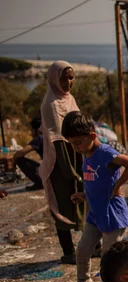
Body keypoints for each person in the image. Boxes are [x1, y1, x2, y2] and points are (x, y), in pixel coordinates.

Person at [60, 112, 128, 282]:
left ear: (92, 136)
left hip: (112, 215)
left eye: (77, 142)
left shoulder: (105, 153)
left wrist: (118, 185)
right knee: (83, 251)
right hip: (95, 214)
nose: (75, 147)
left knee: (109, 257)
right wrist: (84, 196)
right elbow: (96, 181)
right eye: (71, 144)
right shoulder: (86, 153)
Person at [39, 61, 84, 265]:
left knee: (85, 202)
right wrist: (70, 171)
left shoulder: (70, 100)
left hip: (77, 155)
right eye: (64, 78)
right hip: (60, 162)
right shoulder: (50, 104)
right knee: (63, 205)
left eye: (71, 77)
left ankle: (94, 246)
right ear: (54, 79)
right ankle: (68, 252)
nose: (68, 82)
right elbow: (56, 139)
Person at [13, 117, 44, 191]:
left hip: (51, 175)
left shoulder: (39, 138)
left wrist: (14, 161)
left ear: (35, 130)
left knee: (19, 160)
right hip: (57, 173)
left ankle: (40, 183)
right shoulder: (49, 136)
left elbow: (20, 153)